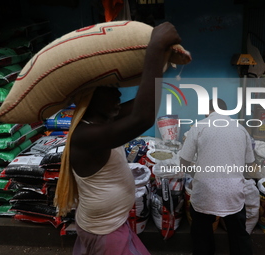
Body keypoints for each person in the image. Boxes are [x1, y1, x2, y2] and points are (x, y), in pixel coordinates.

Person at [54, 22, 182, 255]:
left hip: (109, 226)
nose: (119, 92)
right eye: (110, 88)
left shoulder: (101, 120)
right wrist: (154, 48)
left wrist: (161, 59)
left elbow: (146, 105)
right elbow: (143, 118)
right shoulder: (86, 135)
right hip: (104, 232)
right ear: (89, 97)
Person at [179, 98, 255, 255]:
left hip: (205, 190)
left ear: (207, 111)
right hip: (233, 191)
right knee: (239, 235)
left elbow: (184, 161)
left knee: (201, 234)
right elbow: (250, 166)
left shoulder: (198, 127)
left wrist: (197, 174)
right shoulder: (241, 129)